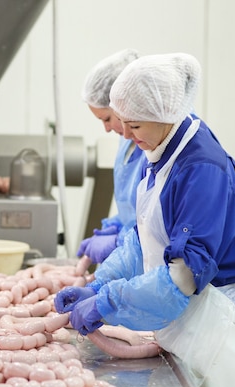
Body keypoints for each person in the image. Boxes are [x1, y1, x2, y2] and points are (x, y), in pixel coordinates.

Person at [56, 53, 235, 387]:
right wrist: (100, 283)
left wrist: (108, 301)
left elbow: (181, 280)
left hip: (220, 339)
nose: (125, 134)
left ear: (164, 115)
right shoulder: (161, 154)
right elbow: (142, 240)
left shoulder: (201, 169)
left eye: (133, 125)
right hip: (186, 330)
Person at [76, 48, 145, 264]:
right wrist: (115, 227)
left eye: (107, 119)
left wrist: (120, 240)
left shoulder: (170, 150)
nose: (106, 129)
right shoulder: (129, 140)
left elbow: (168, 230)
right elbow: (135, 212)